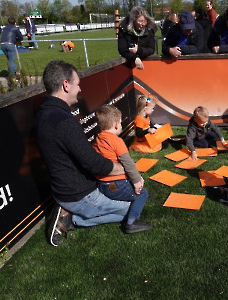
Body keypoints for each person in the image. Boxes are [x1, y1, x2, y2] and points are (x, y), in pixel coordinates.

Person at [35, 60, 151, 247]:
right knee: (133, 208)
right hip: (79, 195)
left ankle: (71, 213)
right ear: (66, 85)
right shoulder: (65, 121)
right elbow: (92, 163)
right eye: (77, 84)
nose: (80, 90)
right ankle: (71, 218)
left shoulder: (43, 113)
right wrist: (120, 168)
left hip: (63, 189)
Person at [93, 105, 149, 228]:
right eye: (121, 122)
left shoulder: (97, 139)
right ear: (116, 125)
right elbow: (128, 163)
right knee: (143, 194)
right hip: (116, 185)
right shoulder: (116, 141)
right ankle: (131, 223)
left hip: (102, 185)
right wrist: (137, 180)